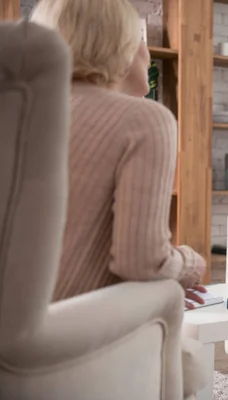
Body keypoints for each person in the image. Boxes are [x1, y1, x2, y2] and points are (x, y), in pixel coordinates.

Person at [30, 0, 207, 306]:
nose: (147, 50)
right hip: (65, 332)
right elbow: (142, 262)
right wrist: (193, 264)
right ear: (118, 46)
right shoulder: (145, 119)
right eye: (139, 37)